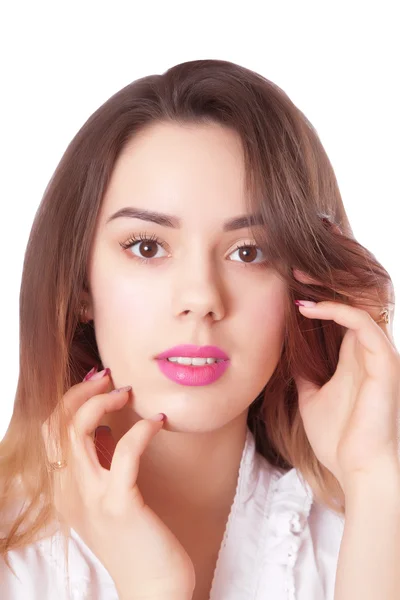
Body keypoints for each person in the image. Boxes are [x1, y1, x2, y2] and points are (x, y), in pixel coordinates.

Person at [0, 58, 398, 600]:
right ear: (81, 284)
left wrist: (375, 479)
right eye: (147, 247)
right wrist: (153, 586)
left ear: (305, 285)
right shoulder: (15, 556)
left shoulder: (367, 522)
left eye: (249, 251)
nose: (202, 299)